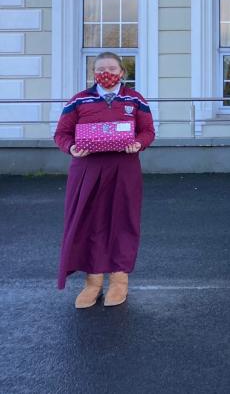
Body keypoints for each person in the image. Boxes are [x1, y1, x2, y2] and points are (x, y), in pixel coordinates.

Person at [54, 51, 155, 308]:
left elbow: (148, 131)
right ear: (93, 73)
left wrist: (139, 143)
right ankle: (93, 283)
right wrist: (71, 148)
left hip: (124, 169)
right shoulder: (79, 100)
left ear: (122, 72)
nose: (106, 73)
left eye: (112, 68)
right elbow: (62, 133)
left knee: (121, 222)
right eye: (100, 68)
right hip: (87, 170)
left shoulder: (135, 100)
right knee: (90, 223)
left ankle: (119, 282)